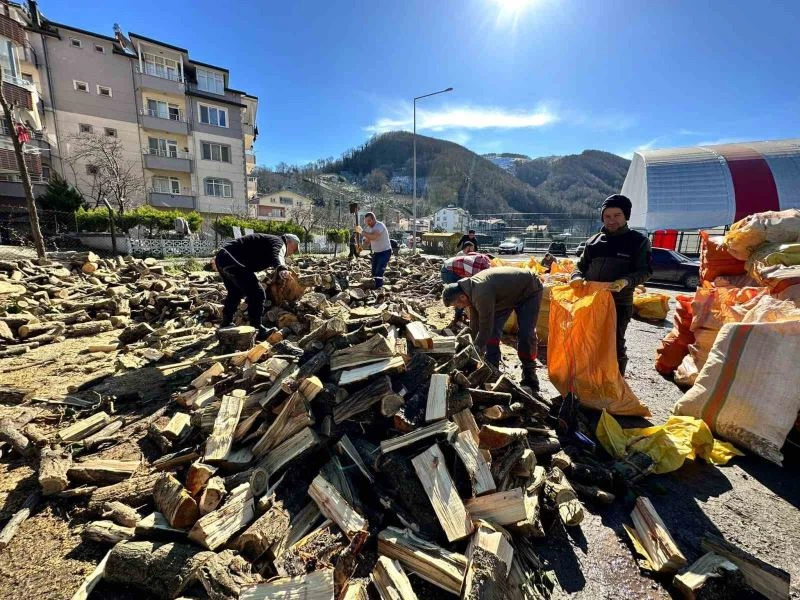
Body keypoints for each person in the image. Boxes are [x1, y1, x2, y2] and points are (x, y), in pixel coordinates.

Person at [570, 194, 652, 375]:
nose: (612, 220)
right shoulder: (593, 242)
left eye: (617, 215)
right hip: (590, 302)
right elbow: (580, 266)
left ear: (626, 216)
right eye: (607, 216)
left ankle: (614, 383)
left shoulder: (638, 242)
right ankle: (587, 380)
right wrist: (576, 276)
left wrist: (626, 281)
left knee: (614, 342)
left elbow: (645, 271)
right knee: (588, 339)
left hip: (619, 303)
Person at [442, 267, 543, 391]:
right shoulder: (469, 292)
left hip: (529, 290)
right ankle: (492, 370)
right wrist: (468, 347)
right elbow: (475, 324)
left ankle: (530, 375)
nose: (459, 308)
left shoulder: (481, 293)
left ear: (462, 297)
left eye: (457, 305)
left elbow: (485, 327)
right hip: (506, 296)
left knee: (525, 333)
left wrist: (475, 351)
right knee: (493, 333)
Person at [214, 232, 300, 341]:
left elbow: (272, 256)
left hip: (223, 257)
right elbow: (277, 254)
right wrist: (282, 269)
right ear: (289, 242)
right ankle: (257, 328)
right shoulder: (280, 242)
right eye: (295, 248)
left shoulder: (271, 241)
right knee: (258, 293)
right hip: (232, 258)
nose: (294, 252)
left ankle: (226, 322)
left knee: (235, 292)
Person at [440, 245, 492, 323]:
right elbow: (473, 289)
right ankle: (458, 317)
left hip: (453, 266)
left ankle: (464, 314)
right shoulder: (477, 270)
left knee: (466, 295)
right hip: (448, 271)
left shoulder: (484, 263)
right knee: (460, 293)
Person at [360, 212, 392, 288]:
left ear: (374, 219)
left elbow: (374, 236)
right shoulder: (368, 228)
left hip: (385, 252)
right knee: (374, 272)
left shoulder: (379, 226)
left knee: (379, 272)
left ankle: (378, 289)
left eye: (369, 221)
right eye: (366, 221)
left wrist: (362, 232)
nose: (368, 223)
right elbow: (367, 243)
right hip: (376, 252)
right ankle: (376, 287)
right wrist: (360, 247)